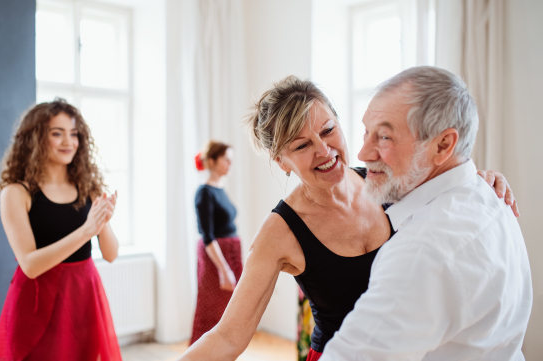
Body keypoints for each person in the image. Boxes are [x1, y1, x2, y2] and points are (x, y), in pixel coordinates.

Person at [177, 76, 518, 361]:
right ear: (282, 162)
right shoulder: (279, 233)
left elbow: (442, 182)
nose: (323, 151)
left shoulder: (385, 179)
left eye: (327, 130)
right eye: (301, 146)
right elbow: (227, 338)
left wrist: (478, 179)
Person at [320, 66, 532, 360]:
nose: (363, 153)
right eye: (367, 132)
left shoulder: (423, 252)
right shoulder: (489, 195)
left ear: (443, 145)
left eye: (384, 137)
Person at [0, 99, 122, 361]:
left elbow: (110, 254)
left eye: (74, 134)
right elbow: (30, 265)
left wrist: (103, 220)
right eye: (57, 133)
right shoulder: (16, 193)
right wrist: (87, 230)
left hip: (83, 296)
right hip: (37, 303)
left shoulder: (88, 188)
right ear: (36, 138)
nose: (68, 142)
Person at [190, 140, 243, 345]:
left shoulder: (219, 188)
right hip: (217, 258)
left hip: (230, 253)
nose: (230, 164)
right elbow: (207, 236)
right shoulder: (204, 192)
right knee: (212, 313)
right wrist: (224, 269)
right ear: (212, 161)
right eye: (226, 159)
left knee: (229, 313)